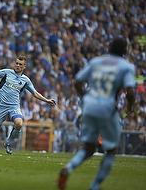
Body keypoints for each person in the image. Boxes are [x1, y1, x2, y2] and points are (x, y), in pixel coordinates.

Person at [57, 38, 136, 190]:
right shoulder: (126, 66)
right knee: (111, 149)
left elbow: (77, 82)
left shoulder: (96, 62)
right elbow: (130, 91)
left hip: (89, 106)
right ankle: (94, 186)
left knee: (89, 147)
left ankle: (69, 167)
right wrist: (129, 106)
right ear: (125, 52)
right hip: (107, 108)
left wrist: (86, 98)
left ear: (109, 48)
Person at [0, 56, 56, 154]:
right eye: (17, 63)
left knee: (19, 124)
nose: (18, 65)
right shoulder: (7, 72)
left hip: (14, 106)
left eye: (20, 64)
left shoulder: (25, 80)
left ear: (24, 66)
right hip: (1, 106)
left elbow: (35, 93)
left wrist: (46, 100)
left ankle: (8, 143)